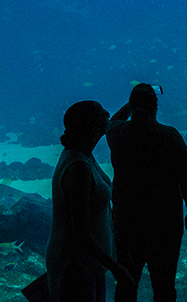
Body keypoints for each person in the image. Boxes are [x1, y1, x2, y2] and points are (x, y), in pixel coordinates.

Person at [106, 83, 187, 302]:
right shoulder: (169, 136)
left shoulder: (118, 133)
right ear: (156, 106)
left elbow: (110, 122)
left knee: (126, 283)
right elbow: (186, 179)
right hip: (164, 225)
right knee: (164, 286)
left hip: (127, 224)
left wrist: (131, 104)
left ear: (132, 105)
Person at [46, 100, 131, 302]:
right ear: (92, 127)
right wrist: (116, 267)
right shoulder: (79, 168)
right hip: (74, 266)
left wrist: (130, 105)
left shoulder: (82, 152)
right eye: (103, 113)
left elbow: (111, 122)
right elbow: (80, 233)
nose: (108, 114)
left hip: (90, 264)